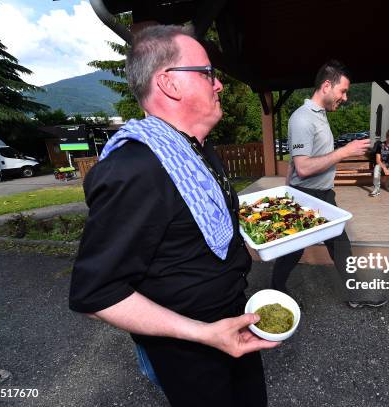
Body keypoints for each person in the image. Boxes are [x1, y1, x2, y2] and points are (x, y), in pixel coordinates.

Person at [68, 25, 279, 407]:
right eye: (208, 73)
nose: (219, 85)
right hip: (191, 349)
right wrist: (204, 334)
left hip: (234, 319)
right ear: (169, 83)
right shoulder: (135, 169)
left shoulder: (197, 152)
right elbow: (96, 293)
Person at [274, 60, 387, 309]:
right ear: (326, 85)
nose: (345, 97)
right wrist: (344, 152)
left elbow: (295, 162)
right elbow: (303, 167)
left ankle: (354, 294)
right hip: (307, 196)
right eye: (343, 91)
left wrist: (286, 187)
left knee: (338, 245)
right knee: (294, 249)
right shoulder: (302, 119)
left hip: (320, 195)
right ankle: (276, 291)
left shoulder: (320, 114)